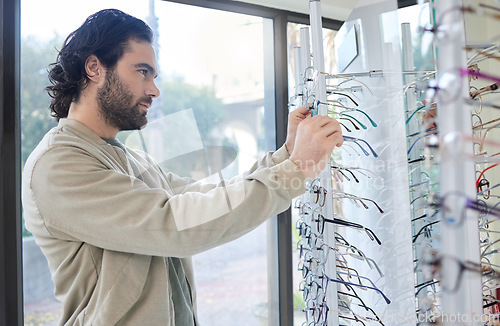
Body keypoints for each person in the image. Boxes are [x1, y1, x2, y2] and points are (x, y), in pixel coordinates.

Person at [21, 9, 343, 326]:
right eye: (142, 71)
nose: (154, 89)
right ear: (94, 67)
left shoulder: (132, 159)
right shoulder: (57, 164)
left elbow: (205, 196)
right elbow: (176, 224)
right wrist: (296, 170)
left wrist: (287, 155)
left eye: (153, 76)